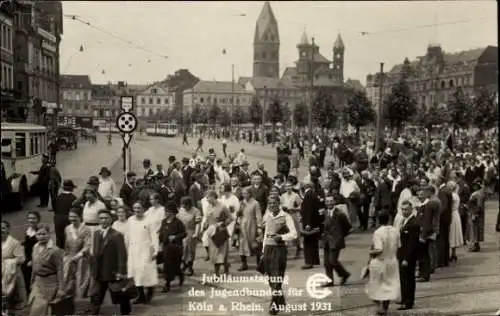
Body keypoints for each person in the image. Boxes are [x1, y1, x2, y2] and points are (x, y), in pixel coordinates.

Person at [89, 210, 130, 315]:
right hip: (99, 271)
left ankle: (125, 312)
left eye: (106, 218)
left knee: (119, 294)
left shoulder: (116, 235)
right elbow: (95, 253)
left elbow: (122, 255)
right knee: (96, 295)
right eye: (101, 218)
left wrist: (121, 272)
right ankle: (94, 312)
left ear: (111, 220)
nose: (103, 220)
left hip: (112, 271)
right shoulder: (96, 234)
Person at [261, 195, 297, 315]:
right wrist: (262, 251)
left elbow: (294, 234)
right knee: (271, 278)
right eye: (270, 203)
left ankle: (274, 305)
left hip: (279, 250)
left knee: (277, 277)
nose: (272, 205)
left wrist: (281, 237)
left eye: (274, 203)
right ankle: (280, 300)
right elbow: (266, 234)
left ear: (278, 203)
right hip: (268, 249)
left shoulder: (286, 216)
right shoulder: (267, 216)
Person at [366, 211, 401, 316]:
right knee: (389, 286)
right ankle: (385, 308)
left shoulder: (378, 232)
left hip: (380, 262)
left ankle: (378, 307)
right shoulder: (395, 231)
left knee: (375, 286)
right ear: (389, 219)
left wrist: (370, 252)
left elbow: (379, 249)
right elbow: (398, 246)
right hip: (392, 261)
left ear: (378, 220)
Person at [28, 224, 65, 316]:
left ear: (49, 234)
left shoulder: (54, 250)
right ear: (36, 235)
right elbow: (34, 266)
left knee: (43, 308)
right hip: (38, 281)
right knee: (33, 306)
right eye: (39, 234)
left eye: (44, 234)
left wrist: (61, 288)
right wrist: (32, 281)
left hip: (50, 283)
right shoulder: (35, 247)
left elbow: (60, 269)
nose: (41, 236)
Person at [127, 202, 159, 304]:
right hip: (134, 250)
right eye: (135, 208)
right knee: (136, 273)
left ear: (143, 209)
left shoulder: (149, 220)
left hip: (146, 249)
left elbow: (154, 236)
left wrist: (155, 250)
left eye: (139, 208)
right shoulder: (130, 220)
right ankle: (140, 296)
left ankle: (149, 291)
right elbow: (128, 235)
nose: (137, 210)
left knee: (146, 271)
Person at [321, 195, 351, 287]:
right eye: (327, 201)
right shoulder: (324, 213)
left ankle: (344, 274)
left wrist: (340, 236)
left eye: (331, 201)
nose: (329, 203)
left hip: (336, 241)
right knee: (326, 262)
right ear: (325, 203)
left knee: (333, 261)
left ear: (334, 202)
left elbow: (348, 227)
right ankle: (330, 281)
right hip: (326, 241)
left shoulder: (340, 214)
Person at [202, 190, 233, 275]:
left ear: (213, 196)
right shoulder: (208, 206)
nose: (207, 199)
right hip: (211, 232)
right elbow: (207, 218)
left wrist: (222, 223)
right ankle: (217, 272)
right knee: (214, 253)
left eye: (208, 197)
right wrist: (205, 224)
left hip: (221, 232)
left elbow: (231, 218)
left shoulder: (222, 206)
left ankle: (223, 270)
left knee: (222, 253)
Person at [159, 201, 187, 292]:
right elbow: (161, 234)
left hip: (176, 247)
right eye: (165, 211)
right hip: (166, 247)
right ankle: (179, 273)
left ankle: (167, 284)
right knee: (171, 265)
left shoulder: (178, 222)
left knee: (168, 264)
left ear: (172, 212)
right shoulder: (163, 222)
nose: (166, 213)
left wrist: (175, 237)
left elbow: (184, 233)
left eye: (167, 211)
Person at [64, 208, 91, 299]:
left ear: (80, 217)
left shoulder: (86, 229)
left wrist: (79, 255)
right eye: (70, 216)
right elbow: (66, 244)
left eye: (74, 216)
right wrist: (66, 255)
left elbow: (88, 245)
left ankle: (82, 298)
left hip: (82, 257)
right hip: (70, 256)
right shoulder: (67, 228)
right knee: (67, 277)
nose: (72, 218)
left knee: (81, 278)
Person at [397, 201, 419, 311]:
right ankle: (404, 298)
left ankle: (408, 302)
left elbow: (412, 243)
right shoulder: (405, 221)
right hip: (402, 254)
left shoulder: (413, 223)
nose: (404, 211)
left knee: (408, 279)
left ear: (411, 209)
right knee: (403, 278)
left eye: (406, 209)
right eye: (402, 209)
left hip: (408, 256)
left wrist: (406, 258)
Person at [2, 220, 27, 315]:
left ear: (8, 229)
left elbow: (21, 258)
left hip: (12, 273)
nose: (1, 230)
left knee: (12, 296)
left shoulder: (14, 242)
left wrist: (8, 262)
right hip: (2, 272)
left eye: (4, 228)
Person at [236, 187, 263, 271]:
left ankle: (259, 264)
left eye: (246, 193)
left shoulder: (255, 203)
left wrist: (259, 226)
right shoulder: (241, 203)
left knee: (255, 245)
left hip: (252, 226)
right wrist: (238, 215)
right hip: (242, 226)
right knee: (242, 244)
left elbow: (258, 216)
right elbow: (239, 215)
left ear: (250, 194)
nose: (244, 195)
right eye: (243, 194)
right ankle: (244, 264)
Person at [177, 196, 202, 276]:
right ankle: (184, 265)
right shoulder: (181, 210)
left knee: (191, 250)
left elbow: (198, 223)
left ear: (189, 204)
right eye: (182, 205)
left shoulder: (196, 211)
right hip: (182, 232)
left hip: (191, 232)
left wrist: (196, 233)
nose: (183, 207)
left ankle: (190, 267)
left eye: (185, 205)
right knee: (183, 249)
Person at [53, 180, 77, 249]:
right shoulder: (73, 198)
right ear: (72, 188)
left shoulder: (58, 197)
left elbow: (55, 209)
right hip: (68, 219)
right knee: (69, 238)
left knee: (59, 238)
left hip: (58, 219)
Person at [21, 211, 41, 294]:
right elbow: (27, 245)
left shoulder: (40, 232)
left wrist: (32, 260)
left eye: (33, 218)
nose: (31, 220)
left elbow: (40, 248)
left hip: (36, 258)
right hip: (27, 257)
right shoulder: (27, 231)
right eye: (29, 218)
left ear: (38, 220)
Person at [447, 181, 464, 261]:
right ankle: (453, 253)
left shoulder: (452, 195)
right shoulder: (456, 194)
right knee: (454, 234)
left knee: (452, 233)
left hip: (453, 214)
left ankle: (452, 253)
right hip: (456, 213)